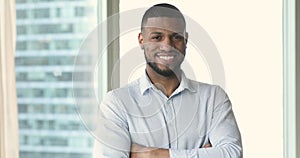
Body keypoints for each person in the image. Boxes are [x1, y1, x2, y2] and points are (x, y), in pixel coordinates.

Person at [94, 3, 242, 158]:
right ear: (141, 40)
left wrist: (152, 154)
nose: (167, 46)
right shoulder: (117, 103)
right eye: (157, 37)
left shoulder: (213, 98)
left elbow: (232, 154)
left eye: (176, 37)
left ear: (186, 41)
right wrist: (204, 153)